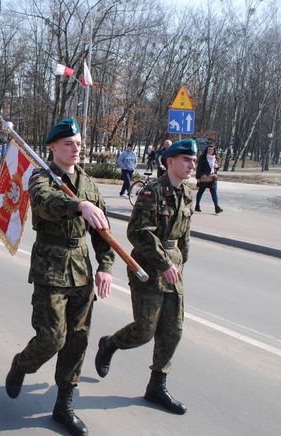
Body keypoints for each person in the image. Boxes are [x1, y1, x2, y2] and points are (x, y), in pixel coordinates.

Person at [4, 117, 114, 436]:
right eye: (68, 143)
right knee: (53, 337)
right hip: (50, 268)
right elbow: (45, 203)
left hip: (81, 270)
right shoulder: (41, 177)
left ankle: (63, 403)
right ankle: (23, 363)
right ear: (52, 147)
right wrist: (78, 205)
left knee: (77, 340)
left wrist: (105, 266)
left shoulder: (90, 185)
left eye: (79, 143)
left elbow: (103, 232)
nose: (75, 148)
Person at [94, 138, 197, 416]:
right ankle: (110, 344)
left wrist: (180, 261)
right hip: (148, 270)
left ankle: (156, 386)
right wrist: (164, 262)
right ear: (170, 162)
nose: (191, 165)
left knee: (172, 330)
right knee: (145, 330)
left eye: (194, 161)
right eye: (186, 159)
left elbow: (184, 234)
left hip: (173, 270)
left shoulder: (188, 193)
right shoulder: (152, 192)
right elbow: (138, 232)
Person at [195, 145, 223, 214]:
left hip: (213, 178)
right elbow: (198, 168)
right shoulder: (203, 157)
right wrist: (198, 177)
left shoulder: (215, 158)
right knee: (200, 192)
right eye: (209, 149)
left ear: (214, 151)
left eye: (211, 149)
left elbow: (215, 168)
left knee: (214, 193)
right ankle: (197, 205)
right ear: (206, 150)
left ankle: (217, 207)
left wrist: (217, 167)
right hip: (204, 178)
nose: (210, 151)